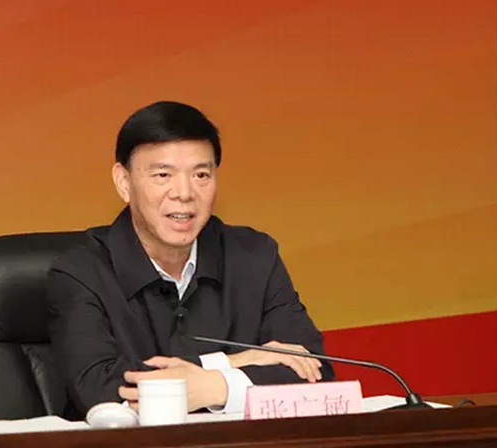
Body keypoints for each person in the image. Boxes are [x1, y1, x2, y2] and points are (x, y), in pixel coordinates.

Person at [47, 101, 334, 419]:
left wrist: (216, 388)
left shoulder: (255, 257)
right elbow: (98, 387)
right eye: (163, 175)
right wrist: (229, 364)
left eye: (201, 175)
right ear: (124, 182)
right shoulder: (81, 271)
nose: (184, 193)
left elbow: (314, 372)